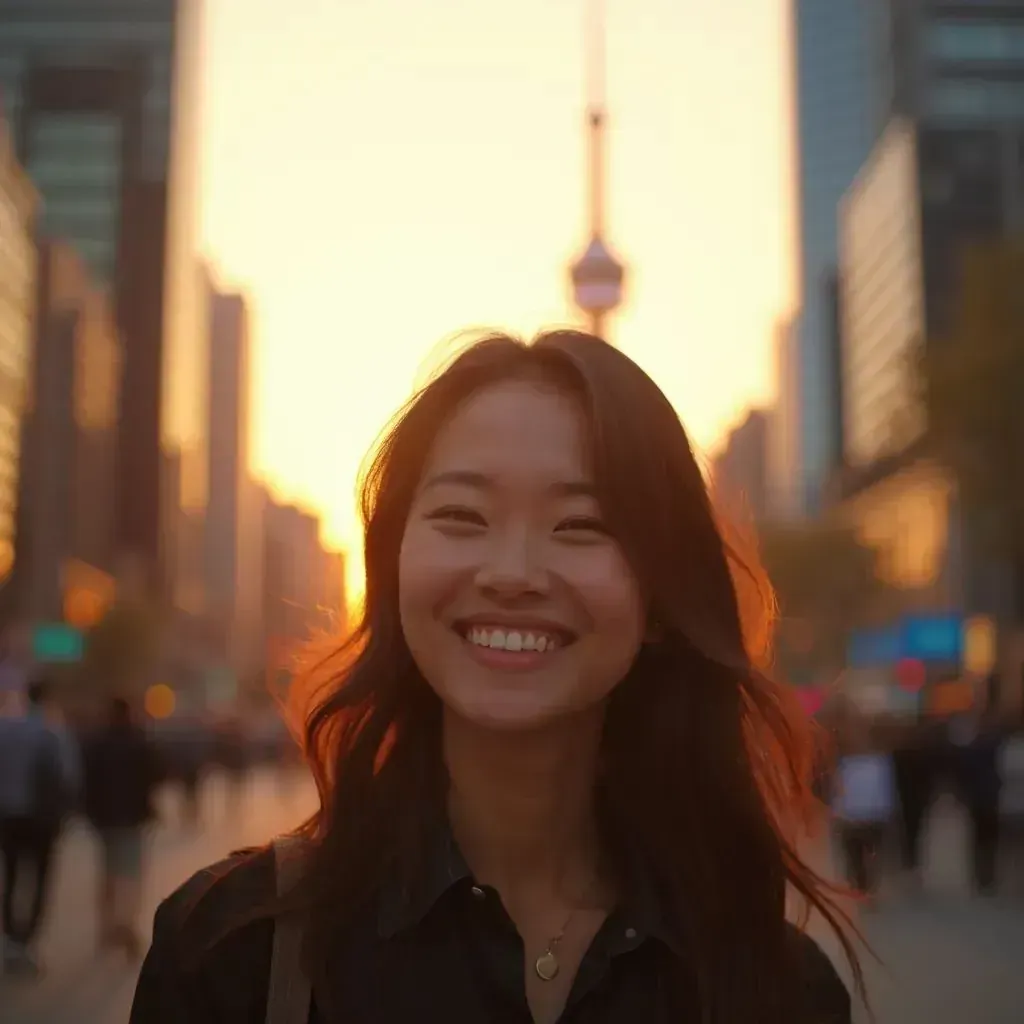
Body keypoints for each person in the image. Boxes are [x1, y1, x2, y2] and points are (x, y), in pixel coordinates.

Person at [131, 331, 861, 1023]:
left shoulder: (773, 989)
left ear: (660, 600)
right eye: (462, 515)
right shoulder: (231, 953)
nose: (512, 575)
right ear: (392, 570)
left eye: (581, 525)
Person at [0, 673, 80, 975]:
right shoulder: (52, 731)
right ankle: (27, 941)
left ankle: (10, 937)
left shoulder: (5, 727)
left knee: (11, 875)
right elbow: (68, 776)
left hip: (8, 815)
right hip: (41, 819)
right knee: (40, 879)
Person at [81, 696, 162, 959]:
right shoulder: (140, 741)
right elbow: (155, 776)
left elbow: (87, 779)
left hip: (104, 819)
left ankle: (106, 928)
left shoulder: (97, 743)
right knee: (131, 874)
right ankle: (125, 924)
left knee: (108, 872)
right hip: (133, 818)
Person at [831, 715, 895, 903]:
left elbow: (884, 788)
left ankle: (865, 887)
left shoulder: (875, 762)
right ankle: (862, 887)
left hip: (866, 816)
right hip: (857, 816)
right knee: (857, 855)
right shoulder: (849, 763)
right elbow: (838, 790)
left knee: (863, 854)